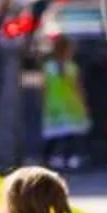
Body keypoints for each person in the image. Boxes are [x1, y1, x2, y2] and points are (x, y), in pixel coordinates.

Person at [38, 37, 91, 174]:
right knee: (70, 135)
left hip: (54, 106)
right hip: (71, 106)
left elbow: (44, 89)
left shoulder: (48, 68)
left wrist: (44, 105)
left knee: (53, 136)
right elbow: (79, 89)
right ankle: (67, 160)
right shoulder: (72, 68)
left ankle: (47, 159)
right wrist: (84, 105)